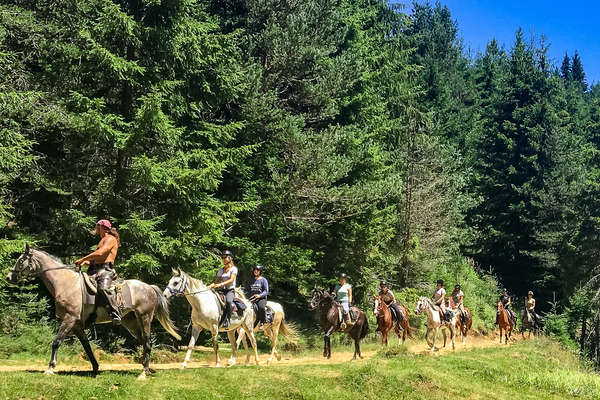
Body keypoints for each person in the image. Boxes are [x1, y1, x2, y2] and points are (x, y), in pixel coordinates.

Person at [75, 219, 121, 324]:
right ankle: (92, 312)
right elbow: (100, 258)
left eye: (97, 227)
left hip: (106, 270)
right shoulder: (102, 240)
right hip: (96, 269)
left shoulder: (110, 238)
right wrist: (87, 262)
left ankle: (116, 312)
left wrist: (82, 259)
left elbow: (100, 253)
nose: (96, 229)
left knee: (103, 288)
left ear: (101, 227)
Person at [208, 250, 238, 328]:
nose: (223, 259)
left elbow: (231, 280)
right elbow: (216, 281)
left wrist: (220, 284)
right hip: (221, 290)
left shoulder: (234, 269)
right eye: (222, 257)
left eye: (225, 257)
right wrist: (210, 286)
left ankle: (227, 320)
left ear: (230, 258)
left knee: (228, 301)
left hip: (230, 290)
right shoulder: (220, 270)